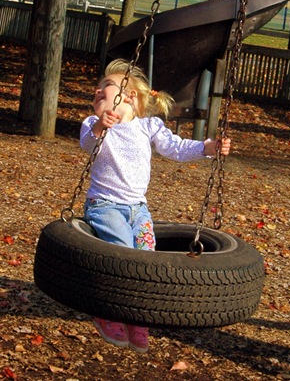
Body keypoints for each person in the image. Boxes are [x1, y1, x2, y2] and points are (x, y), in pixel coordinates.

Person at [80, 59, 231, 353]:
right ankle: (106, 312)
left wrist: (207, 148)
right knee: (121, 252)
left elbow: (176, 148)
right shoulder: (92, 124)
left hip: (139, 209)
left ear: (129, 96)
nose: (97, 91)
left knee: (145, 259)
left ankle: (135, 317)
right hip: (105, 204)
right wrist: (100, 125)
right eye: (96, 89)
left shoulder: (148, 126)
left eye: (106, 86)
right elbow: (88, 144)